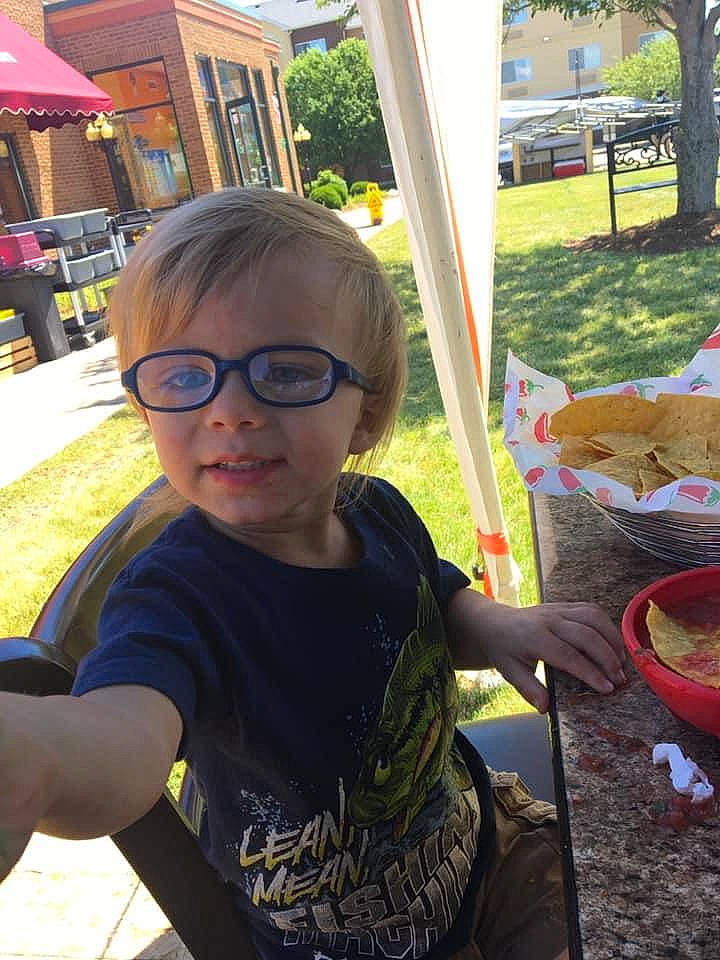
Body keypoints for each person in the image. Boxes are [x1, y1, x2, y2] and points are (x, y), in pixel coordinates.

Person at [0, 189, 625, 960]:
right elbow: (122, 734)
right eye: (183, 375)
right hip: (352, 944)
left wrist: (496, 622)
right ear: (144, 403)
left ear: (364, 412)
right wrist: (34, 757)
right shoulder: (174, 601)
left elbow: (429, 598)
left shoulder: (379, 513)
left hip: (481, 847)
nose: (230, 410)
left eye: (288, 373)